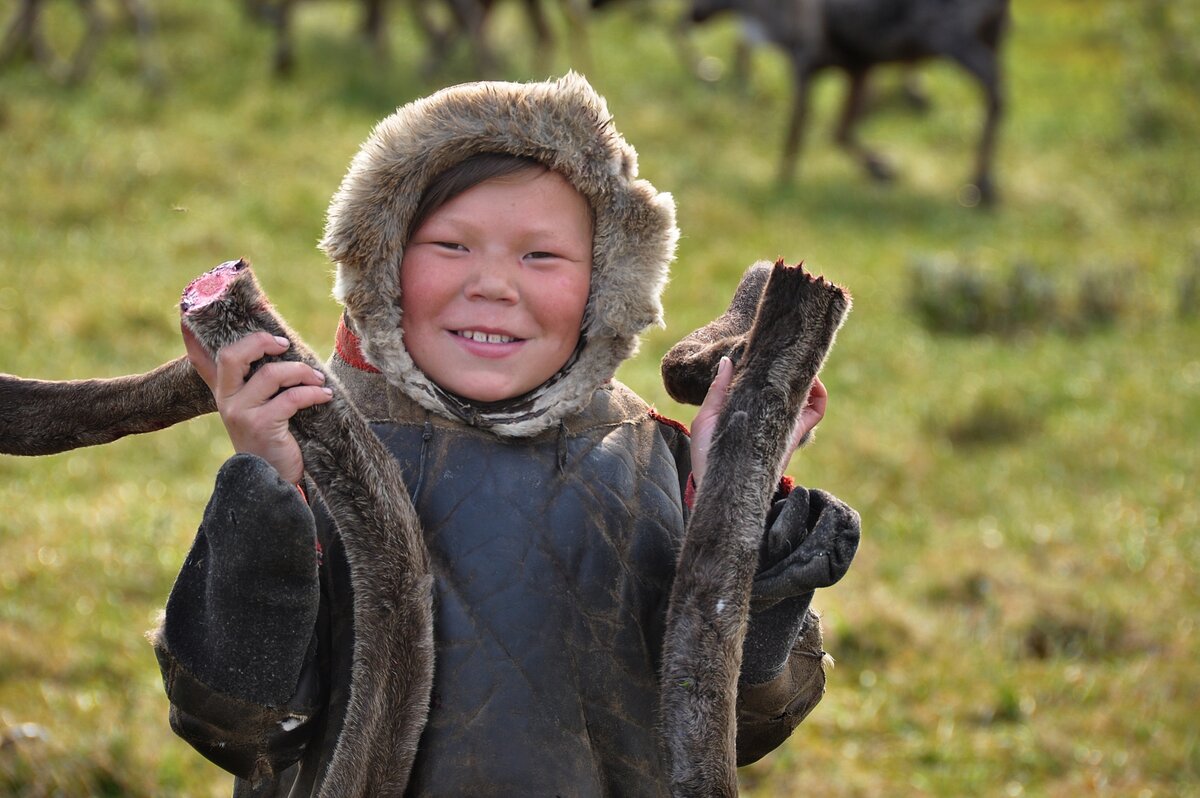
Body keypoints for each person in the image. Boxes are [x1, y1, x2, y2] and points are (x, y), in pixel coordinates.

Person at [152, 72, 860, 797]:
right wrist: (269, 495)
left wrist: (729, 500)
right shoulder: (315, 457)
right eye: (451, 246)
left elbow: (749, 723)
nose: (493, 284)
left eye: (540, 256)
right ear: (383, 261)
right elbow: (238, 728)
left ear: (606, 283)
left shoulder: (660, 464)